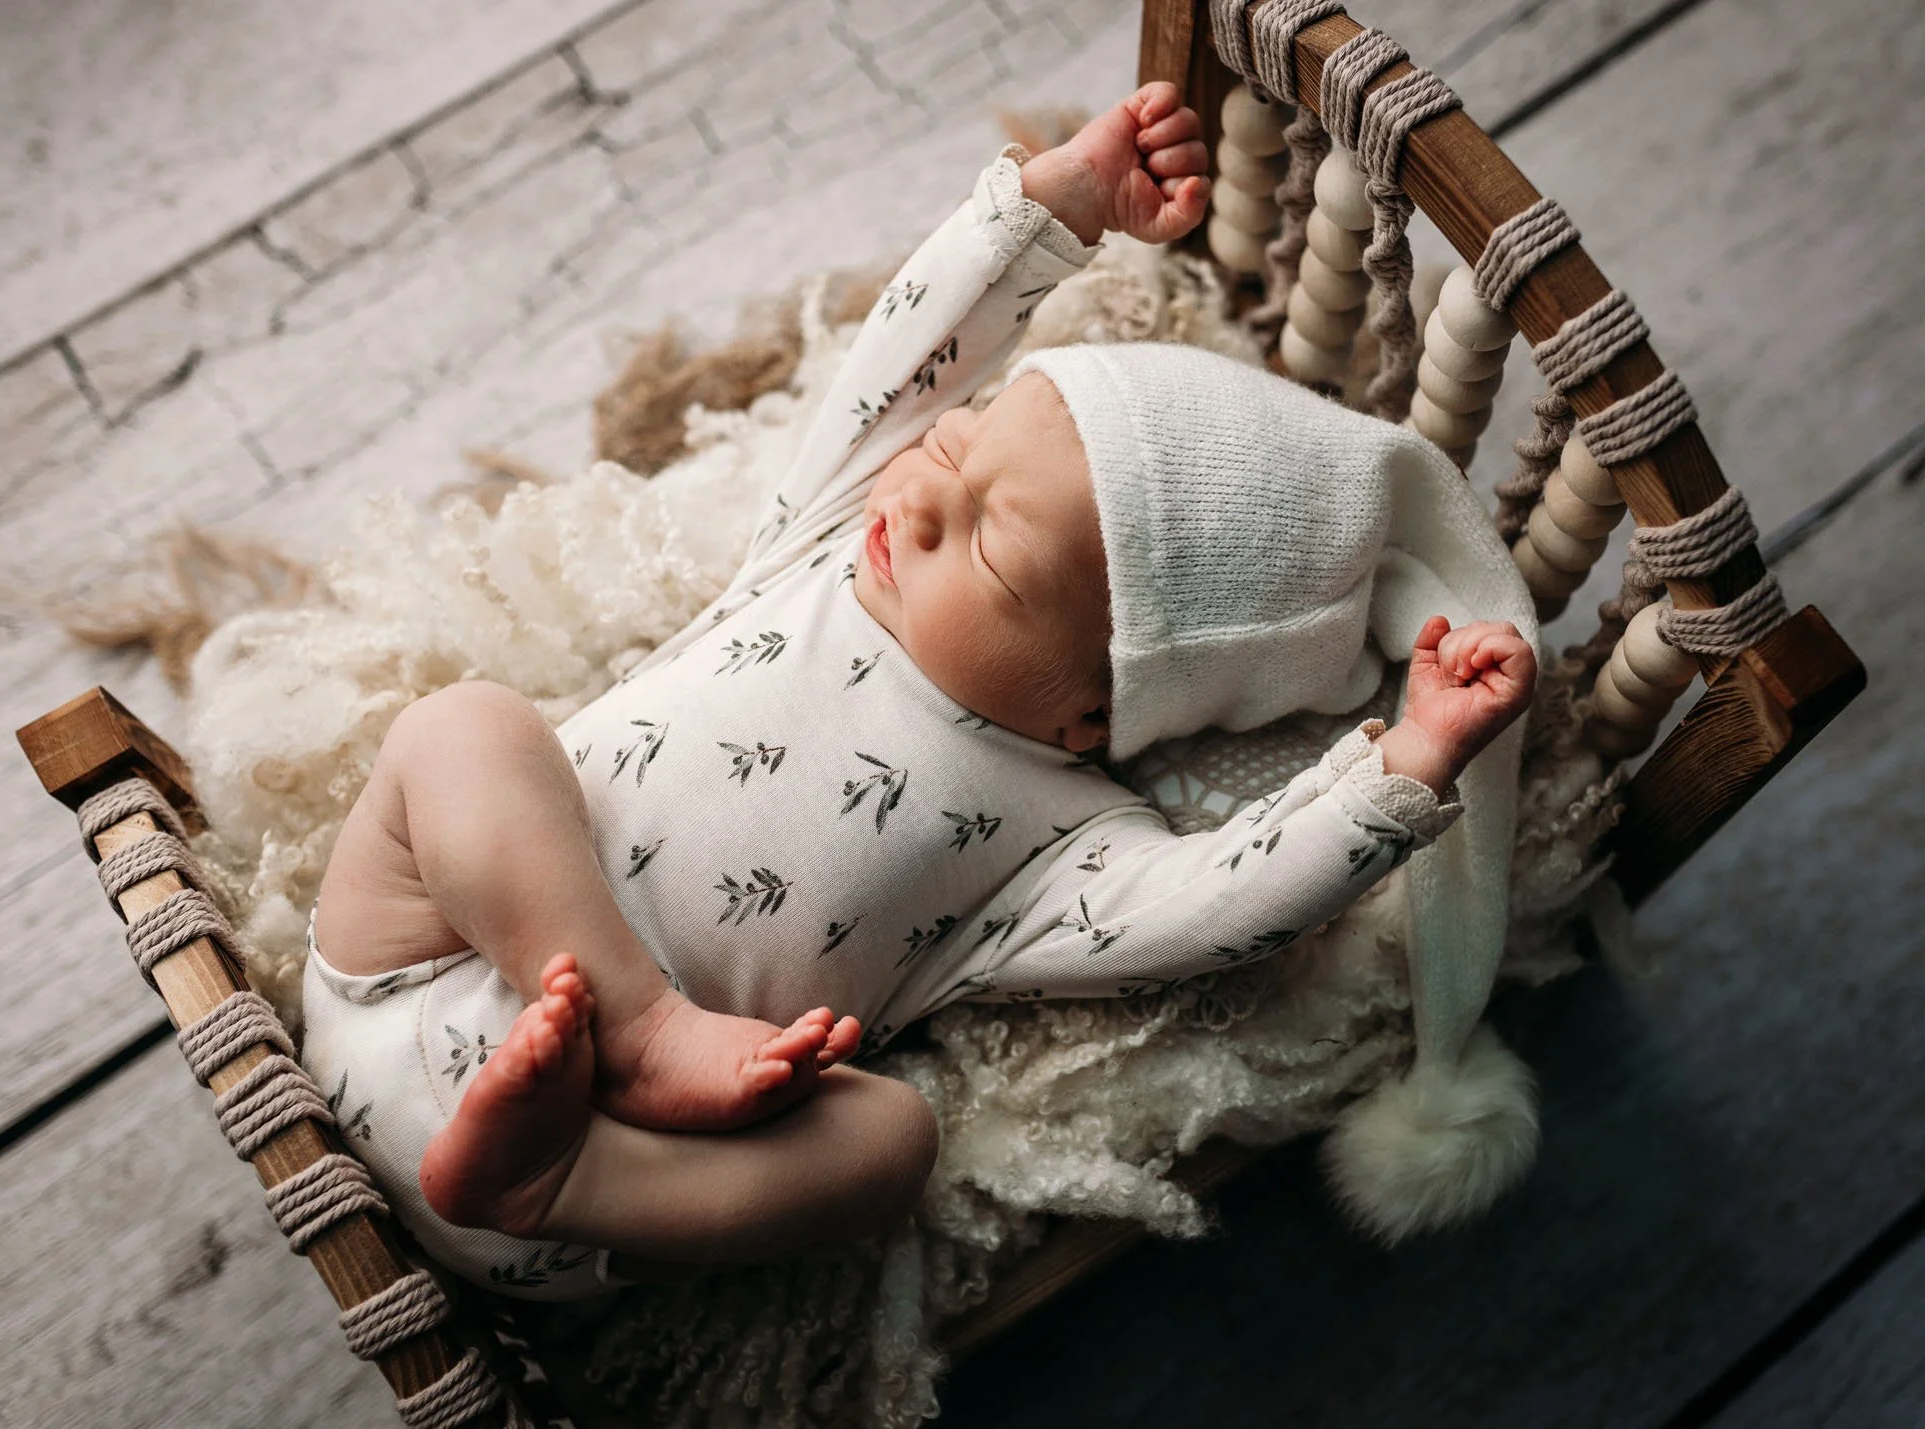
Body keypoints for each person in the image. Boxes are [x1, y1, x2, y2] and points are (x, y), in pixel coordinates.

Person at [299, 81, 1539, 1300]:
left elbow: (1228, 899)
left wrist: (1402, 772)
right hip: (401, 961)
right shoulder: (832, 539)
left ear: (1091, 709)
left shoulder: (1067, 842)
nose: (921, 497)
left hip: (613, 1181)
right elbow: (907, 354)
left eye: (991, 551)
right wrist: (1053, 209)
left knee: (889, 1145)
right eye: (953, 448)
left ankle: (553, 1175)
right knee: (463, 731)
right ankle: (640, 1023)